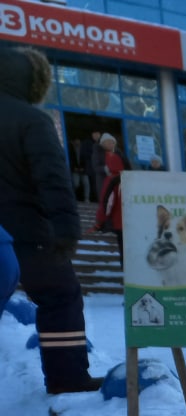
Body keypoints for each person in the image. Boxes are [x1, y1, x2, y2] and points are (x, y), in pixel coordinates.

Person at [0, 46, 100, 394]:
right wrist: (67, 230)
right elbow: (53, 180)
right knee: (61, 295)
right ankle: (67, 377)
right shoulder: (31, 120)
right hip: (25, 234)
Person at [94, 141, 125, 262]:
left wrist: (100, 221)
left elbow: (107, 203)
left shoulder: (111, 180)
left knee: (123, 248)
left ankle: (125, 271)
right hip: (130, 222)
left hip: (119, 222)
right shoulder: (131, 179)